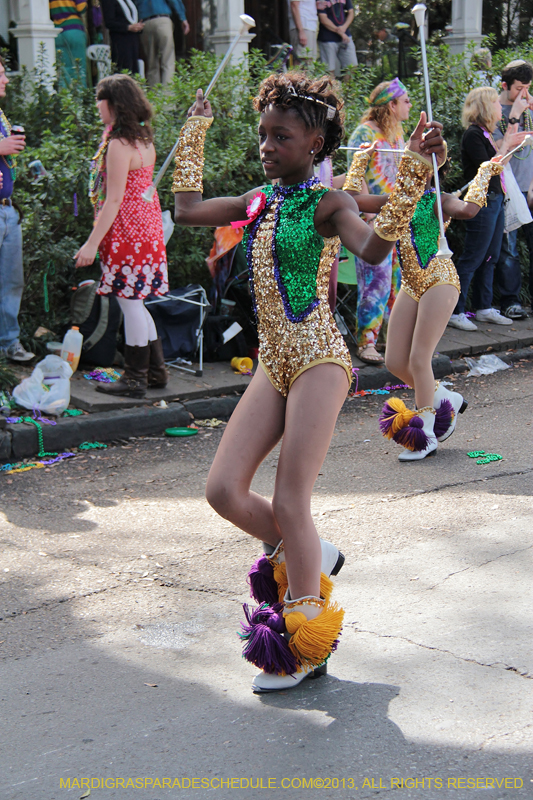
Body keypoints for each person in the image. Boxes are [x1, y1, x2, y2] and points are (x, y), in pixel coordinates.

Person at [172, 71, 444, 692]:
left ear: (317, 142)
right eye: (263, 135)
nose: (266, 146)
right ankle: (308, 554)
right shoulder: (257, 201)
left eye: (282, 136)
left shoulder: (331, 204)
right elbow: (186, 210)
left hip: (321, 359)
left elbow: (374, 253)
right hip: (274, 361)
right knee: (222, 489)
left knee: (292, 500)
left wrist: (415, 177)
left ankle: (306, 641)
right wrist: (194, 131)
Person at [378, 155, 505, 461]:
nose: (408, 174)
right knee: (395, 361)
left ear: (429, 173)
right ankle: (443, 395)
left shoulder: (440, 200)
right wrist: (361, 161)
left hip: (440, 278)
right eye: (406, 169)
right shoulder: (395, 201)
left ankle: (426, 435)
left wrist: (484, 172)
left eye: (416, 169)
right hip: (411, 284)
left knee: (419, 358)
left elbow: (469, 210)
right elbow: (352, 199)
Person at [75, 74, 169, 397]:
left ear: (113, 105)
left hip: (127, 233)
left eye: (100, 100)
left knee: (130, 305)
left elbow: (113, 200)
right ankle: (155, 372)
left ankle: (134, 379)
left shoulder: (117, 144)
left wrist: (91, 243)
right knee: (138, 304)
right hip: (147, 229)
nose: (97, 106)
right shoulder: (144, 139)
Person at [448, 87, 526, 331]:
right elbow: (489, 167)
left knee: (490, 257)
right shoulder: (473, 135)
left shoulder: (486, 133)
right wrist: (508, 147)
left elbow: (500, 165)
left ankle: (483, 307)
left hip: (495, 199)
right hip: (481, 202)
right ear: (484, 106)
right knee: (473, 256)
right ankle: (455, 310)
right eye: (495, 103)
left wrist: (510, 145)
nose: (498, 108)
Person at [346, 78, 411, 363]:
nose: (409, 105)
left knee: (398, 283)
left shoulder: (397, 134)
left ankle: (392, 341)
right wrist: (369, 216)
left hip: (398, 218)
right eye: (405, 100)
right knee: (376, 282)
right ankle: (366, 343)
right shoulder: (364, 133)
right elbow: (356, 173)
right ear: (391, 104)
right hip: (374, 222)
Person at [0, 57, 35, 363]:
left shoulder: (0, 113)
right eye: (1, 75)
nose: (6, 80)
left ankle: (9, 342)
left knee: (12, 281)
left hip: (8, 210)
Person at [493, 60, 533, 319]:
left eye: (528, 88)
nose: (525, 94)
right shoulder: (495, 110)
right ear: (505, 86)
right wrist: (515, 115)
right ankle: (511, 300)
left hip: (529, 187)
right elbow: (498, 151)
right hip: (508, 189)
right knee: (509, 250)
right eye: (519, 88)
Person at [134, 0, 189, 87]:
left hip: (144, 23)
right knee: (168, 60)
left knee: (151, 63)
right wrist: (183, 18)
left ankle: (154, 94)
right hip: (162, 19)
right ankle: (167, 95)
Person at [49, 0, 88, 87]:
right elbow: (82, 8)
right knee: (79, 67)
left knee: (64, 68)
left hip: (57, 31)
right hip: (74, 29)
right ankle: (80, 97)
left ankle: (66, 97)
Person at [100, 0, 144, 74]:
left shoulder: (130, 1)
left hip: (133, 39)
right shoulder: (109, 1)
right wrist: (128, 27)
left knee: (134, 68)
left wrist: (139, 26)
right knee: (124, 67)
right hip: (120, 40)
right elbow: (109, 23)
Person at [316, 0, 358, 76]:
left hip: (346, 37)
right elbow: (323, 19)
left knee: (352, 67)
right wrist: (340, 32)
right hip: (327, 38)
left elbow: (351, 12)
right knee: (329, 70)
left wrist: (344, 27)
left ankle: (346, 87)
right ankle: (331, 87)